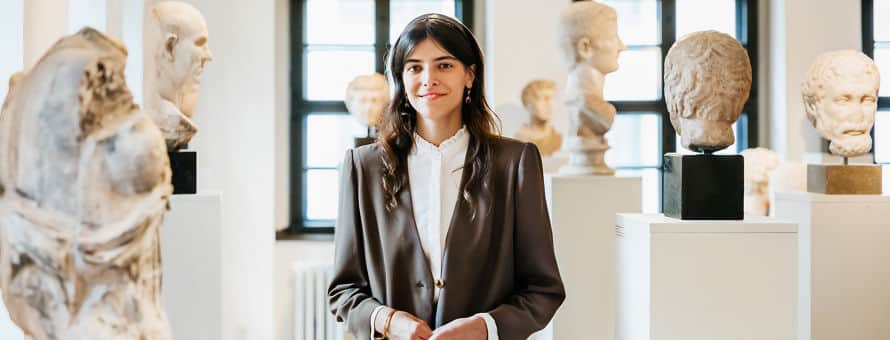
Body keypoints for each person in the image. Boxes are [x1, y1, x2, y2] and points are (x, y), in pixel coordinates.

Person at [328, 13, 565, 340]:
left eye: (444, 65)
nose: (428, 79)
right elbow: (343, 290)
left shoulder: (514, 163)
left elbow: (543, 289)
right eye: (414, 67)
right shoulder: (362, 167)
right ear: (401, 77)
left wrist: (484, 327)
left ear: (469, 75)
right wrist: (389, 321)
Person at [515, 79, 562, 157]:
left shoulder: (558, 137)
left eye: (553, 99)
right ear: (528, 103)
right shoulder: (520, 138)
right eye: (545, 98)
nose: (550, 104)